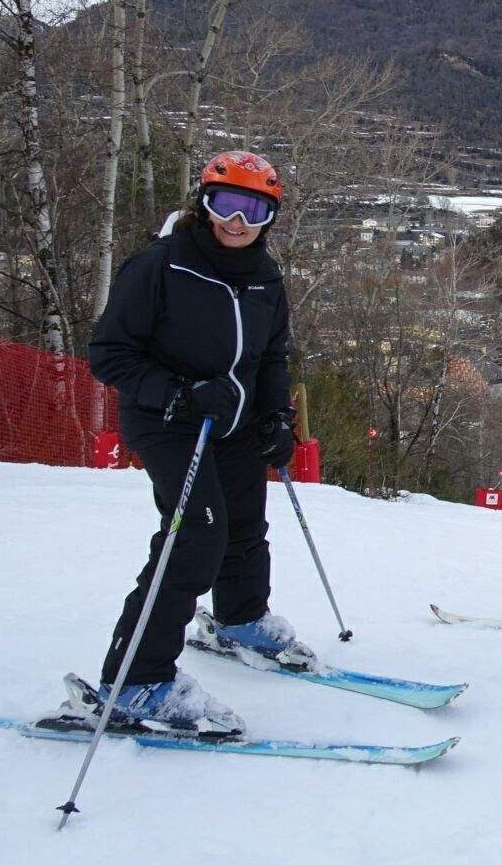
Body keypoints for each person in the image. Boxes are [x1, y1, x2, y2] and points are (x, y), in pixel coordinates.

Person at [86, 150, 310, 732]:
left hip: (232, 421)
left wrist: (275, 417)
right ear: (203, 204)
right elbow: (109, 354)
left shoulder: (265, 277)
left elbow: (272, 356)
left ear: (270, 217)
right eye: (225, 204)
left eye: (254, 210)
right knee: (196, 535)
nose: (237, 221)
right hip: (167, 419)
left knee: (244, 521)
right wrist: (180, 394)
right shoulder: (161, 266)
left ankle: (241, 619)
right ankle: (135, 681)